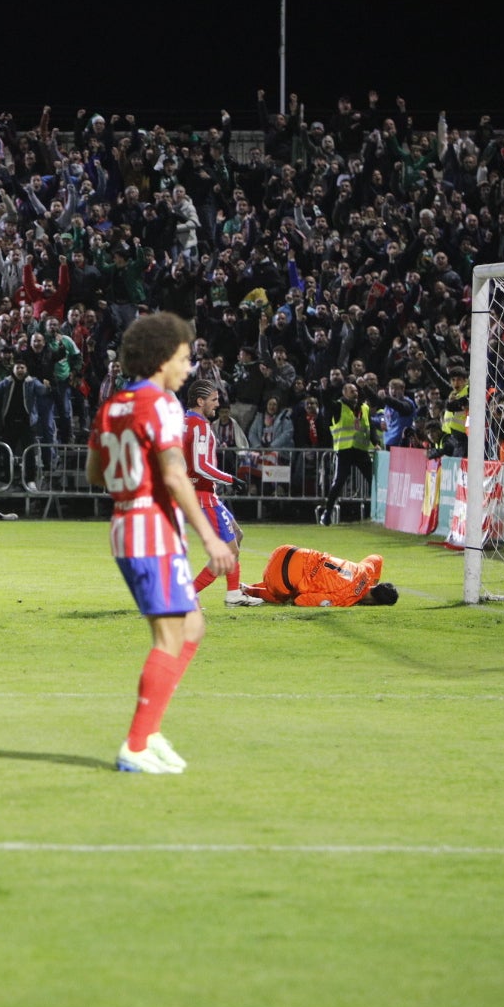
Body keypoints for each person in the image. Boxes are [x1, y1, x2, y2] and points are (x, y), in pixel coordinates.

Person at [87, 312, 236, 774]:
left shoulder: (112, 406)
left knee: (191, 627)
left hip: (128, 526)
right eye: (184, 357)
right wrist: (211, 537)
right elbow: (174, 473)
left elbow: (94, 473)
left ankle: (149, 732)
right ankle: (135, 745)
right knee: (171, 636)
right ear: (160, 358)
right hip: (151, 530)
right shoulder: (164, 404)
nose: (189, 367)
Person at [183, 381, 259, 606]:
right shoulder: (200, 425)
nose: (217, 404)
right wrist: (231, 479)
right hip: (202, 496)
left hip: (199, 493)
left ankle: (233, 593)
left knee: (237, 536)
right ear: (200, 401)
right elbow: (199, 465)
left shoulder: (185, 422)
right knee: (229, 549)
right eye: (214, 400)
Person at [243, 545, 395, 608]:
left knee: (300, 579)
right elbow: (300, 601)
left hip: (285, 550)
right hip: (278, 578)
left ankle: (247, 587)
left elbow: (377, 558)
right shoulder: (344, 598)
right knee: (287, 597)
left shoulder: (365, 571)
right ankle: (247, 591)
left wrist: (372, 581)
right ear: (374, 603)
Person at [317, 380, 376, 525]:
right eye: (351, 390)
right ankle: (327, 513)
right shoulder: (338, 406)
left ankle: (376, 511)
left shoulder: (364, 408)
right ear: (344, 393)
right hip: (344, 451)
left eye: (356, 390)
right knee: (339, 481)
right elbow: (326, 402)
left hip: (361, 451)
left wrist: (376, 443)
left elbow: (371, 428)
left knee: (373, 480)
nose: (355, 393)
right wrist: (324, 389)